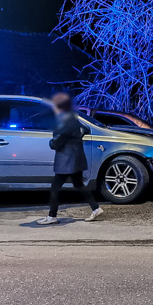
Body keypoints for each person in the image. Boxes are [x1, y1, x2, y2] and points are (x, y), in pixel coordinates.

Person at [38, 92, 104, 225]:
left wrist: (52, 143)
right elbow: (84, 129)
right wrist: (75, 139)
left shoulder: (64, 119)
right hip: (75, 157)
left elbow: (58, 141)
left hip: (66, 159)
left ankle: (52, 216)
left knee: (55, 186)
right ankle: (95, 208)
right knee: (78, 184)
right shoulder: (72, 117)